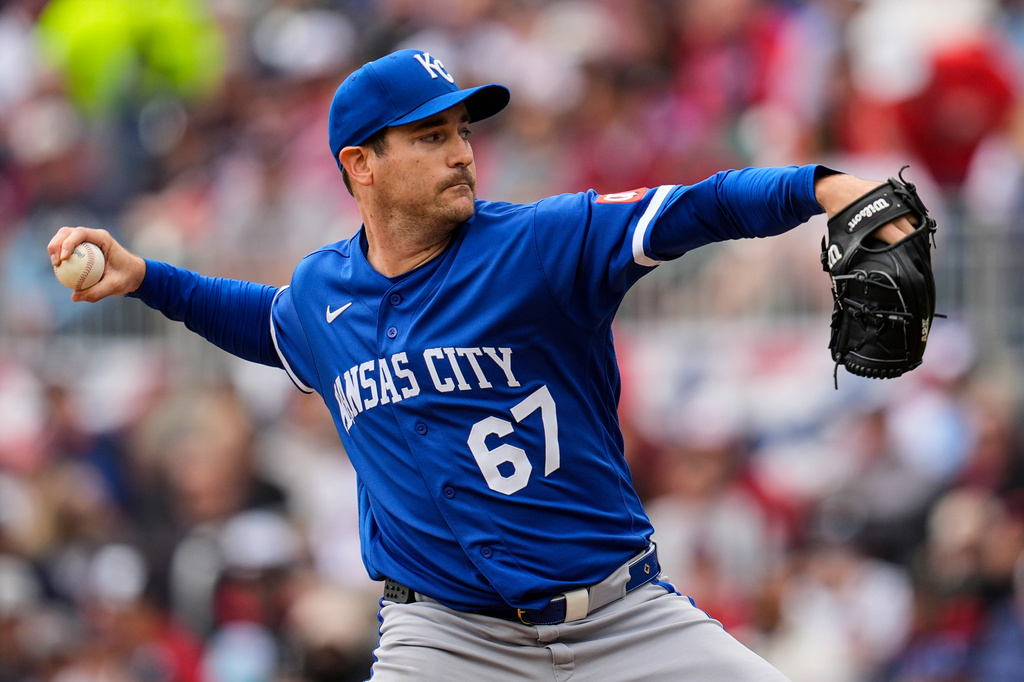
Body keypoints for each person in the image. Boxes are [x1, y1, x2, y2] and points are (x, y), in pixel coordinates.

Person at [48, 49, 916, 681]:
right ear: (362, 165)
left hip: (623, 622)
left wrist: (824, 186)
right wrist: (147, 279)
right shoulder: (323, 295)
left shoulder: (539, 243)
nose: (462, 150)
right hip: (447, 645)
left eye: (463, 129)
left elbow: (700, 206)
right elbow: (265, 324)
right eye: (429, 136)